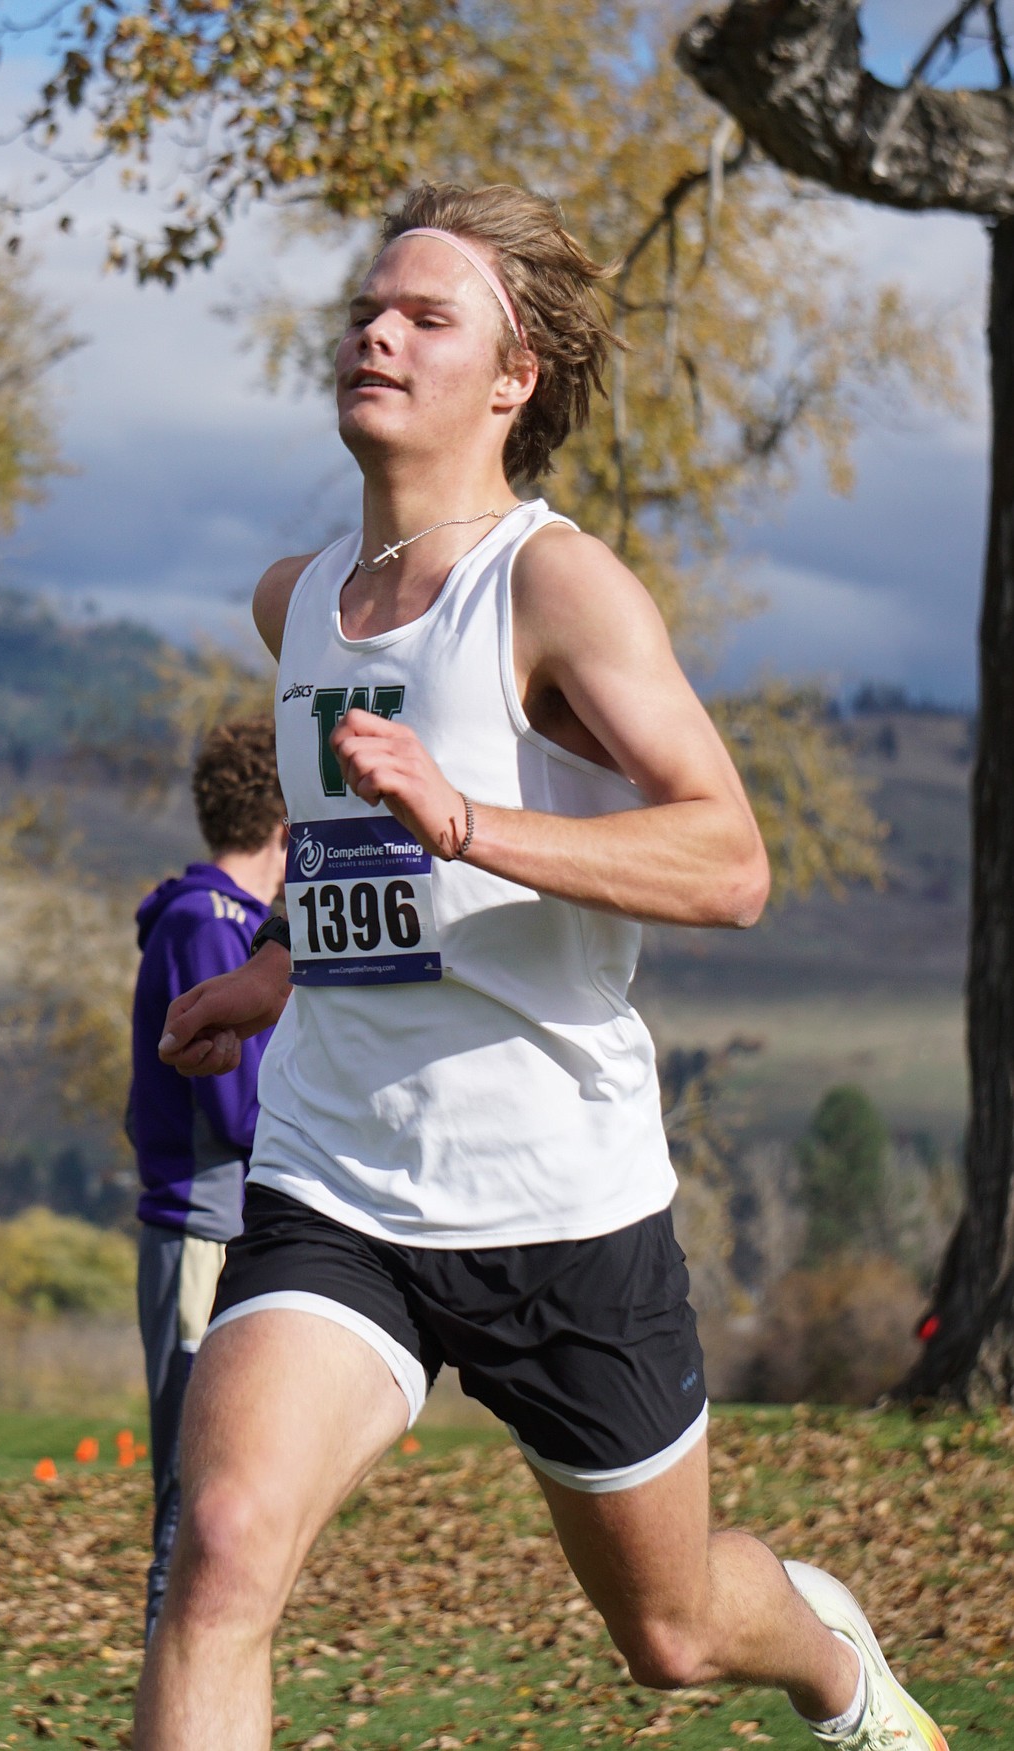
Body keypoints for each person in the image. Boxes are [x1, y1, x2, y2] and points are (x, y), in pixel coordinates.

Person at [138, 184, 948, 1751]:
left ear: (511, 377)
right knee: (220, 1546)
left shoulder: (553, 588)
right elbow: (360, 851)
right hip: (336, 1181)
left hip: (557, 1204)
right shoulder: (295, 602)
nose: (376, 329)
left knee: (672, 1627)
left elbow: (728, 859)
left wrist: (470, 818)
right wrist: (286, 968)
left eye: (426, 316)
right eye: (370, 307)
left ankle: (832, 1663)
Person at [128, 714, 287, 1642]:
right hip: (197, 1232)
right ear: (281, 827)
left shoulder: (242, 923)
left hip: (235, 1232)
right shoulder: (202, 920)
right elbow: (230, 1102)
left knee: (230, 1500)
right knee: (190, 1509)